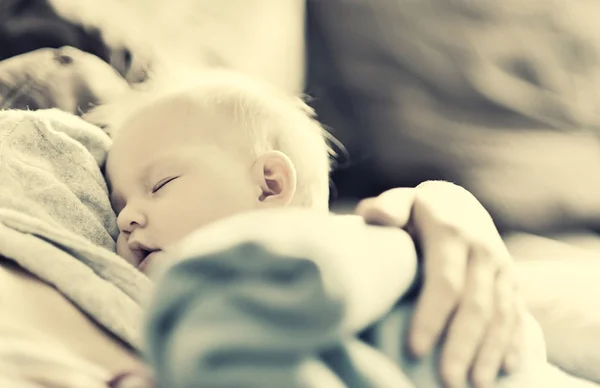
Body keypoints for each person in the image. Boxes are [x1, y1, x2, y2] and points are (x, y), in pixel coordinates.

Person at [105, 70, 524, 388]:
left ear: (270, 185)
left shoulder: (337, 248)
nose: (125, 220)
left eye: (160, 185)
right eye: (118, 206)